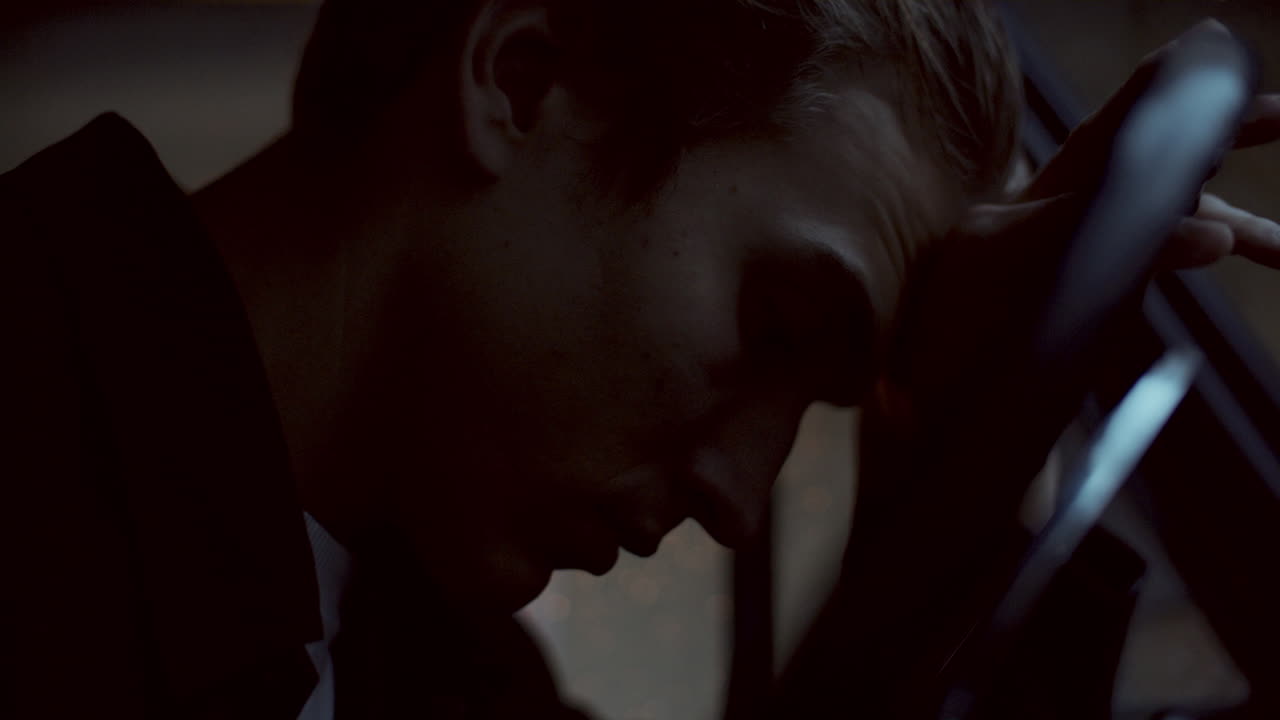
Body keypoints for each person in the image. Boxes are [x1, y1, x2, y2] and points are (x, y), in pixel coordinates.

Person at [3, 1, 1278, 717]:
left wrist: (944, 461)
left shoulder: (416, 636)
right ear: (521, 79)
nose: (735, 499)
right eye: (776, 329)